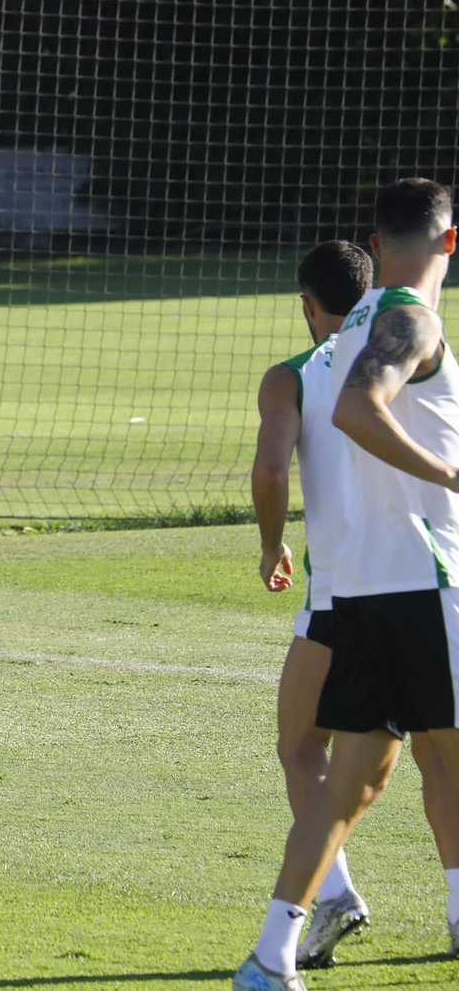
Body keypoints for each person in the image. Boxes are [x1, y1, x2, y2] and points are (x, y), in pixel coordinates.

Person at [235, 179, 459, 990]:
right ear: (450, 241)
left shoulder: (332, 343)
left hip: (354, 597)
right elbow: (361, 412)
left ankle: (270, 956)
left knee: (346, 784)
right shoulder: (408, 319)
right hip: (422, 585)